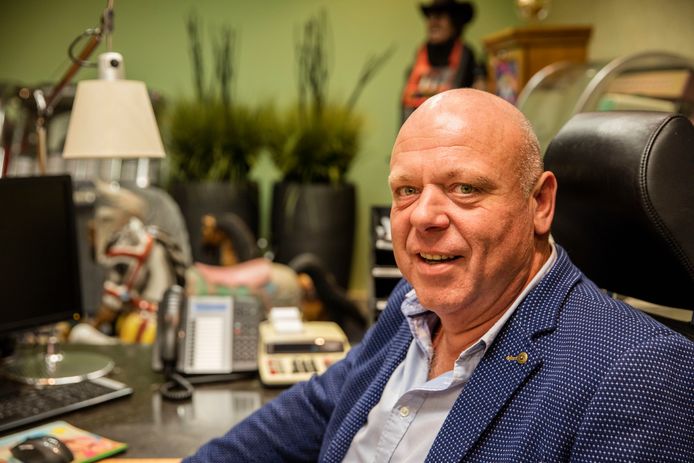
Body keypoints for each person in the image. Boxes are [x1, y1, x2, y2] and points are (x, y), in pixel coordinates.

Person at [183, 89, 694, 462]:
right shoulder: (416, 303)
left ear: (539, 203)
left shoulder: (640, 375)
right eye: (407, 190)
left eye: (464, 188)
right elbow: (322, 406)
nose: (423, 216)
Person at [401, 0, 478, 123]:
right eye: (430, 17)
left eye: (439, 17)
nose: (433, 22)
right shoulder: (420, 53)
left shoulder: (466, 56)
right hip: (416, 126)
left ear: (454, 23)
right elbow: (407, 99)